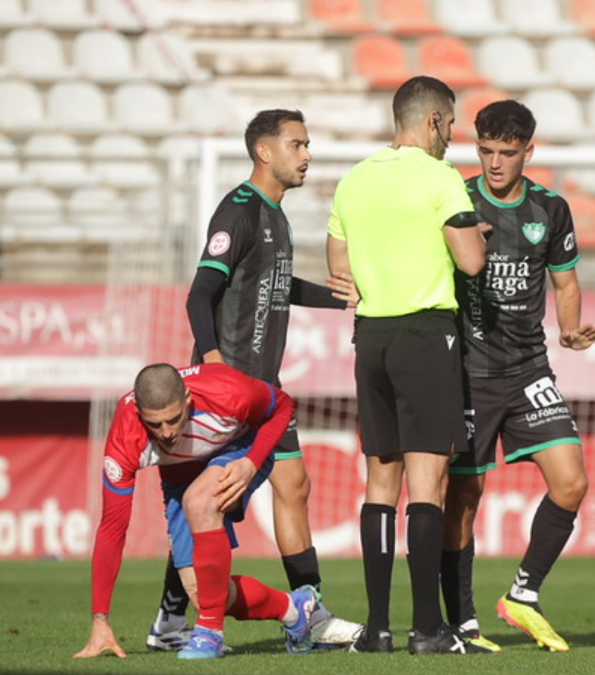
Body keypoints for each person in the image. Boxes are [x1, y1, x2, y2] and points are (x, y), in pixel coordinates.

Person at [142, 109, 362, 652]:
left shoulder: (277, 217)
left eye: (307, 144)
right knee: (207, 506)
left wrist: (338, 298)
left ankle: (308, 610)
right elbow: (200, 294)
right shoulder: (237, 211)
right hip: (228, 390)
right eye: (297, 144)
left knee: (294, 486)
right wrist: (214, 365)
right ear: (265, 152)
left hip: (264, 388)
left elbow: (277, 287)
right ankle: (175, 618)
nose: (306, 154)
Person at [326, 75, 491, 655]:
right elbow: (470, 262)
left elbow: (338, 268)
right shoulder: (441, 178)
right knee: (427, 483)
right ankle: (428, 629)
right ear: (433, 121)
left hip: (371, 338)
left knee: (379, 483)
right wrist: (476, 237)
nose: (452, 135)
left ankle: (377, 629)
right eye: (450, 123)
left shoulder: (355, 179)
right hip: (425, 334)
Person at [441, 100, 595, 654]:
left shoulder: (550, 208)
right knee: (464, 496)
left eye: (506, 153)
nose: (493, 163)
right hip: (468, 371)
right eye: (485, 150)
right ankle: (462, 623)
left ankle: (523, 595)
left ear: (528, 153)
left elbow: (566, 282)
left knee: (571, 481)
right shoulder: (456, 201)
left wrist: (571, 328)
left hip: (530, 366)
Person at [73, 363, 319, 660]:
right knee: (206, 596)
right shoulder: (125, 437)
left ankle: (210, 635)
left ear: (187, 398)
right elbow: (112, 528)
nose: (166, 433)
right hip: (179, 477)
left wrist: (251, 462)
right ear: (139, 412)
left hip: (242, 449)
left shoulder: (228, 392)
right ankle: (294, 611)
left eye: (173, 419)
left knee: (200, 501)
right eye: (155, 424)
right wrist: (100, 620)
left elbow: (283, 405)